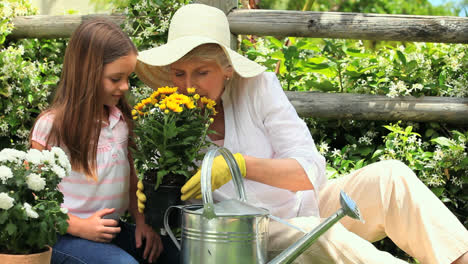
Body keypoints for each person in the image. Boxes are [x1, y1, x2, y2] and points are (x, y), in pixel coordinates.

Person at [135, 4, 468, 264]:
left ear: (227, 68)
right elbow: (183, 212)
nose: (189, 85)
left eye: (202, 72)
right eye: (178, 73)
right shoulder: (166, 119)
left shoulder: (258, 88)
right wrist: (152, 194)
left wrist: (242, 165)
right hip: (249, 237)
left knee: (390, 177)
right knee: (313, 234)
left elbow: (310, 172)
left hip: (306, 207)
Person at [30, 19, 178, 264]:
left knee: (176, 255)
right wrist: (79, 226)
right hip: (63, 236)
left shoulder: (119, 118)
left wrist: (142, 223)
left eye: (128, 77)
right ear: (86, 75)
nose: (125, 86)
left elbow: (130, 177)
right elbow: (33, 196)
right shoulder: (51, 125)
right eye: (115, 78)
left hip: (109, 231)